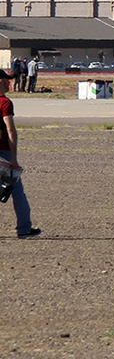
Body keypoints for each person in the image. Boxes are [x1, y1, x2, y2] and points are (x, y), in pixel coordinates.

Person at [0, 70, 39, 238]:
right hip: (4, 153)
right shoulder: (5, 102)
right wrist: (14, 159)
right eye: (7, 81)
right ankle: (24, 228)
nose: (9, 83)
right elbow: (10, 130)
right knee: (17, 191)